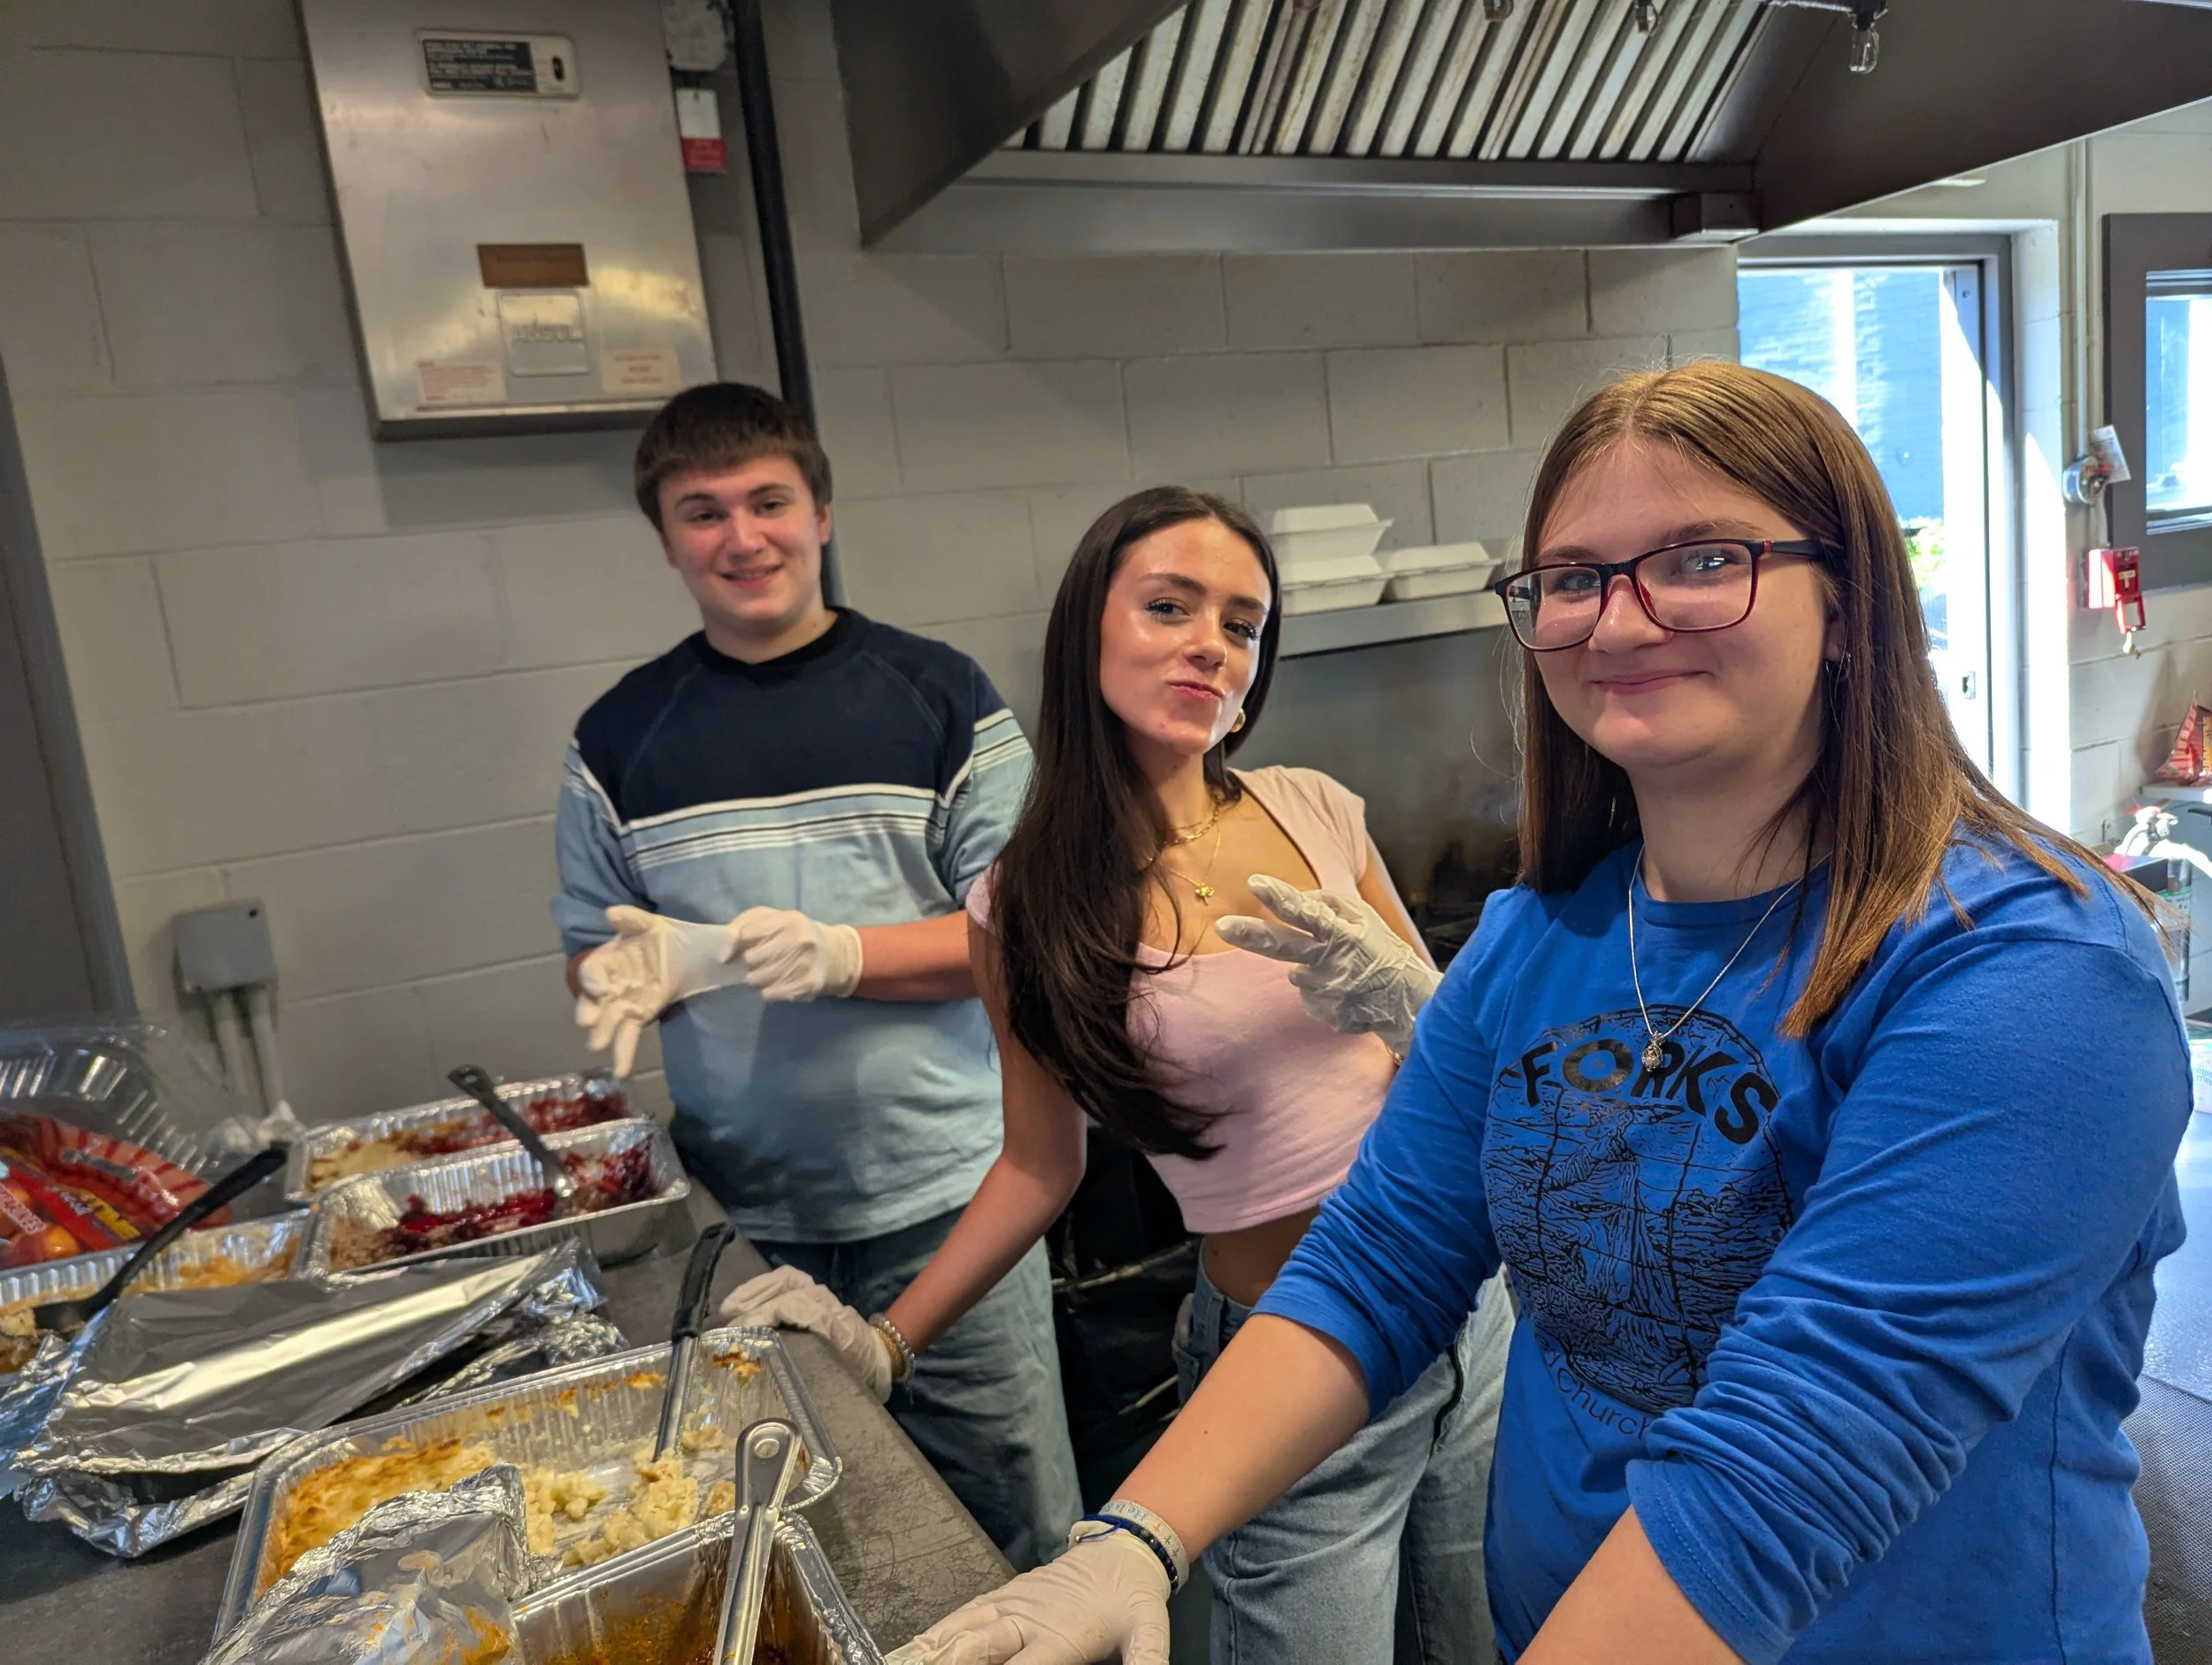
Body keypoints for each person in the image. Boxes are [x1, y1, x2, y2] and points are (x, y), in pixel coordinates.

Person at [881, 360, 2194, 1665]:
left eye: (1699, 560)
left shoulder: (2029, 969)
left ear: (1849, 606)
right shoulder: (1534, 939)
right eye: (1571, 579)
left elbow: (1788, 1468)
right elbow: (1379, 1258)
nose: (1617, 624)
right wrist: (1136, 1536)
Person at [726, 486, 1512, 1664]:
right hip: (1289, 1364)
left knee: (1490, 1643)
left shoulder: (1316, 810)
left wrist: (1427, 1003)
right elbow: (1042, 1163)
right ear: (1089, 627)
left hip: (1473, 1318)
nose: (1211, 642)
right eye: (1169, 606)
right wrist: (889, 1339)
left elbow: (1465, 1072)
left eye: (1242, 624)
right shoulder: (1026, 901)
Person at [549, 381, 1079, 1569]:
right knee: (807, 1552)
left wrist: (841, 956)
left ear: (821, 511)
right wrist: (663, 963)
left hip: (951, 1208)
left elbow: (1036, 937)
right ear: (666, 538)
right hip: (744, 1225)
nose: (742, 537)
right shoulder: (618, 739)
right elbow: (597, 961)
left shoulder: (940, 699)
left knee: (1012, 1539)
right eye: (703, 512)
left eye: (767, 501)